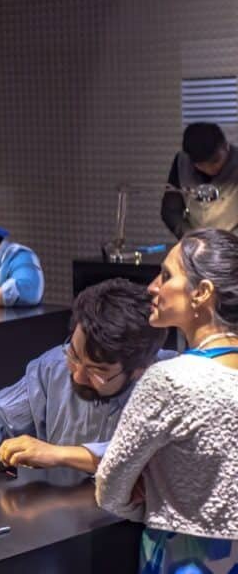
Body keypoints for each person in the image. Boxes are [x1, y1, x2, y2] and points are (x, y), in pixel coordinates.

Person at [97, 229, 238, 570]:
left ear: (202, 293)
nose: (152, 287)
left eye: (166, 275)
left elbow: (110, 487)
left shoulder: (169, 380)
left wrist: (147, 504)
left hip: (185, 558)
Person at [0, 279, 171, 473]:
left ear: (140, 369)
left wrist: (59, 454)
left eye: (97, 371)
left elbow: (150, 460)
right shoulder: (55, 367)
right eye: (75, 355)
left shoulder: (175, 383)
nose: (79, 377)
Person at [161, 122, 238, 238]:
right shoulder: (182, 163)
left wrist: (228, 243)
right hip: (197, 245)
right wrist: (190, 237)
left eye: (216, 161)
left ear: (226, 146)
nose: (212, 168)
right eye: (203, 165)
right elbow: (171, 211)